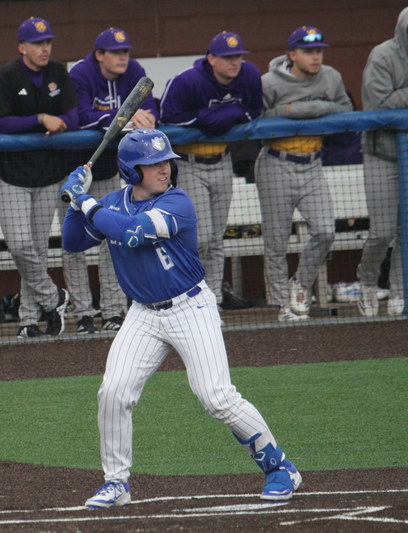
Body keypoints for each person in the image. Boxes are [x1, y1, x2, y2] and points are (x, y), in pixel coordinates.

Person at [60, 128, 302, 508]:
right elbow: (73, 242)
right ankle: (116, 482)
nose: (163, 169)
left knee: (216, 397)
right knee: (113, 393)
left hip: (191, 308)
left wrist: (86, 202)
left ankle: (280, 468)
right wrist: (74, 202)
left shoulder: (178, 203)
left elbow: (131, 233)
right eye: (152, 164)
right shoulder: (110, 202)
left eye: (165, 162)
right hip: (142, 315)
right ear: (131, 170)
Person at [64, 27, 159, 334]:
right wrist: (121, 119)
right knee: (73, 245)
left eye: (125, 51)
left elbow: (151, 106)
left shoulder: (135, 71)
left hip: (109, 170)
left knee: (111, 242)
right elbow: (81, 117)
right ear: (99, 55)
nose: (123, 57)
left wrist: (145, 118)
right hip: (76, 169)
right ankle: (82, 314)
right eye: (115, 52)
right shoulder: (80, 74)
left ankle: (113, 311)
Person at [0, 16, 77, 338]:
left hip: (48, 173)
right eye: (38, 43)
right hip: (12, 173)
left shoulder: (57, 72)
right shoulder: (6, 75)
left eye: (48, 42)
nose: (45, 48)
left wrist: (60, 121)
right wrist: (40, 118)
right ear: (22, 47)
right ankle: (55, 299)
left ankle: (28, 320)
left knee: (36, 251)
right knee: (20, 245)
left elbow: (73, 115)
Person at [159, 31, 262, 311]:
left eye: (238, 56)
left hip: (223, 161)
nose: (235, 62)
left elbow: (254, 110)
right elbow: (168, 118)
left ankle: (212, 300)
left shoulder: (249, 75)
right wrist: (217, 117)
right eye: (228, 57)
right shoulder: (187, 81)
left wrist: (215, 119)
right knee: (201, 237)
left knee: (216, 238)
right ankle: (191, 296)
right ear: (211, 59)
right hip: (190, 163)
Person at [256, 27, 352, 322]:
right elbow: (254, 120)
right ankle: (282, 304)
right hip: (276, 160)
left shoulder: (331, 77)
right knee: (276, 241)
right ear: (292, 54)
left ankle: (299, 284)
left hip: (312, 162)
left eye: (319, 51)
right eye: (309, 51)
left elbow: (345, 109)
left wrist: (300, 109)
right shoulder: (269, 82)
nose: (316, 57)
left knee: (325, 230)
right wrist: (294, 110)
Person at [356, 8, 408, 317]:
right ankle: (367, 283)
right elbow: (379, 106)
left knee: (407, 230)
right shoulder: (383, 56)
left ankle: (401, 291)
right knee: (383, 231)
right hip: (381, 153)